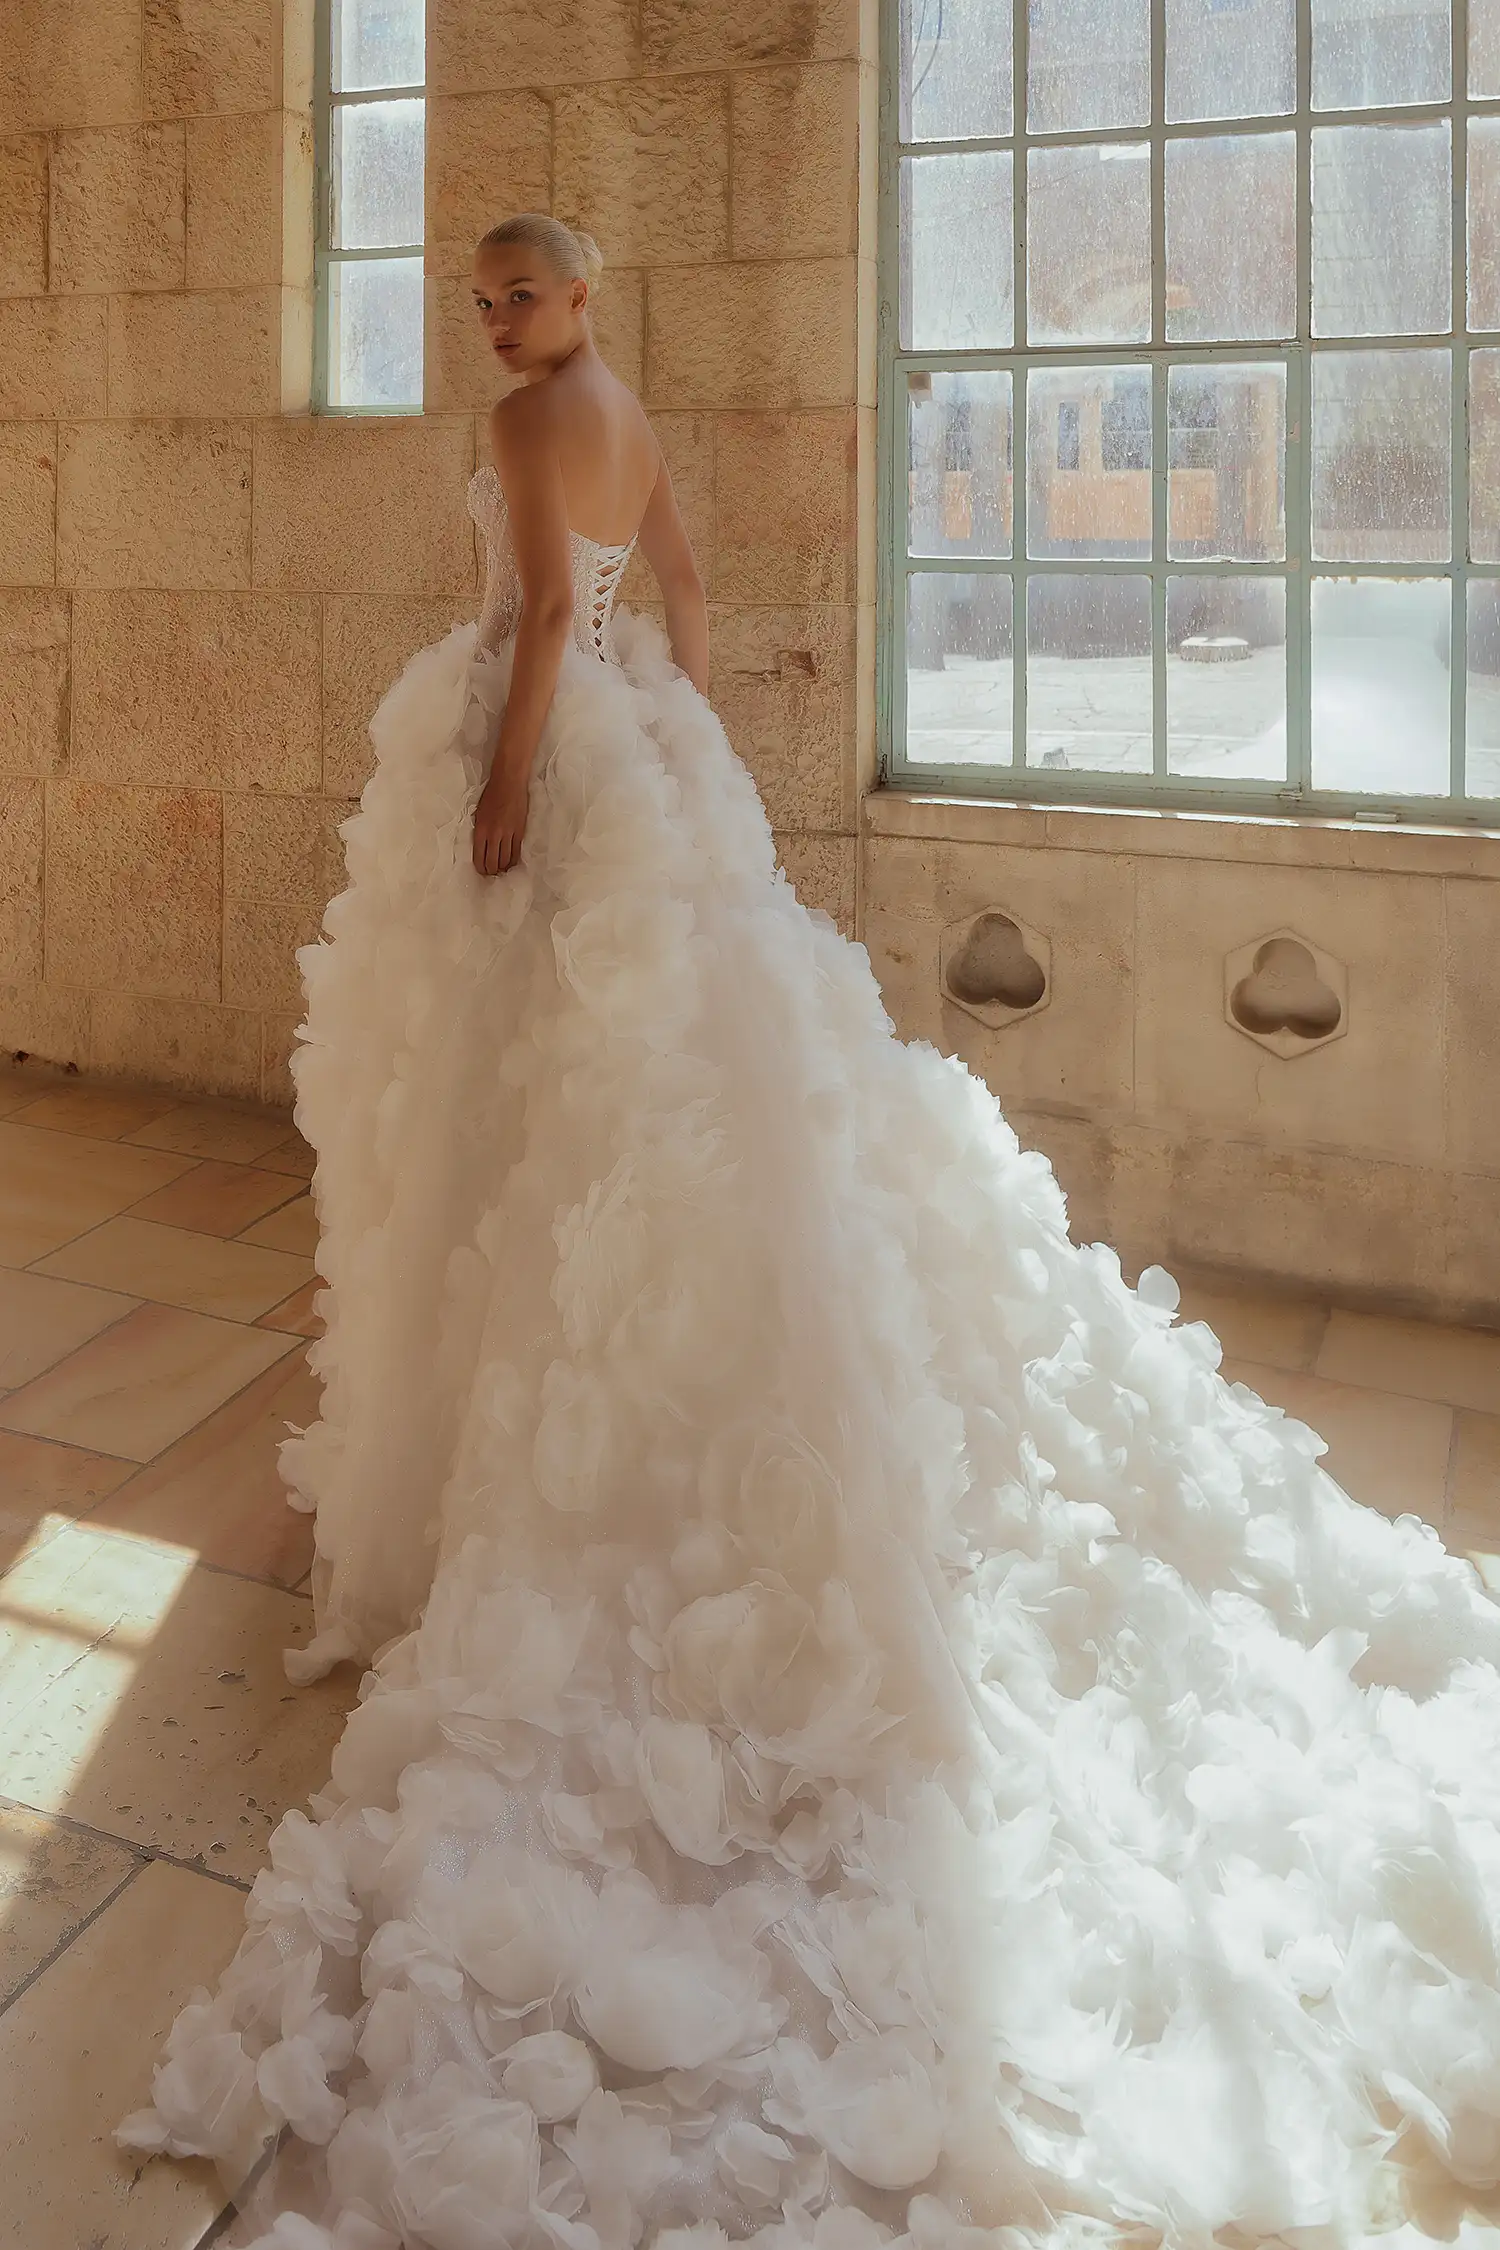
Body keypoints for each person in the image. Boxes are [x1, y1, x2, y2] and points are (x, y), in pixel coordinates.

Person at [120, 214, 1500, 2250]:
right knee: (632, 1100)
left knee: (559, 1098)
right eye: (486, 295)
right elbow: (673, 580)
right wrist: (683, 727)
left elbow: (556, 630)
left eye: (523, 293)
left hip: (565, 753)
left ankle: (524, 1433)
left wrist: (510, 789)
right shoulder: (627, 407)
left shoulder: (525, 433)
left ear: (580, 298)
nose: (499, 319)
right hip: (648, 757)